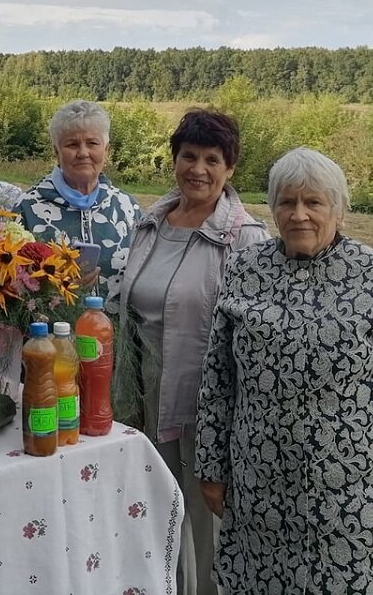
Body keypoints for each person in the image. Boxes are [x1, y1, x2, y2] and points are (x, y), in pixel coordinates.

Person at [196, 147, 373, 594]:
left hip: (355, 499)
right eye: (287, 202)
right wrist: (211, 466)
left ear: (339, 210)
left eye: (314, 202)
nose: (299, 214)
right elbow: (217, 380)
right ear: (272, 209)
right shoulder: (245, 269)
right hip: (260, 493)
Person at [119, 109, 268, 595]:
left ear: (230, 169)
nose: (198, 169)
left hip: (204, 401)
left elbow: (255, 340)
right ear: (174, 160)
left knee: (202, 519)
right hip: (141, 389)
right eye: (188, 156)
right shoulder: (152, 223)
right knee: (153, 505)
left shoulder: (245, 240)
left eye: (212, 159)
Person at [16, 100, 141, 311]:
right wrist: (55, 288)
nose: (83, 153)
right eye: (72, 144)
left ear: (107, 150)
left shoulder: (128, 208)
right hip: (49, 339)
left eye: (92, 143)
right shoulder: (27, 208)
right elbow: (11, 285)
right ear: (57, 152)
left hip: (116, 339)